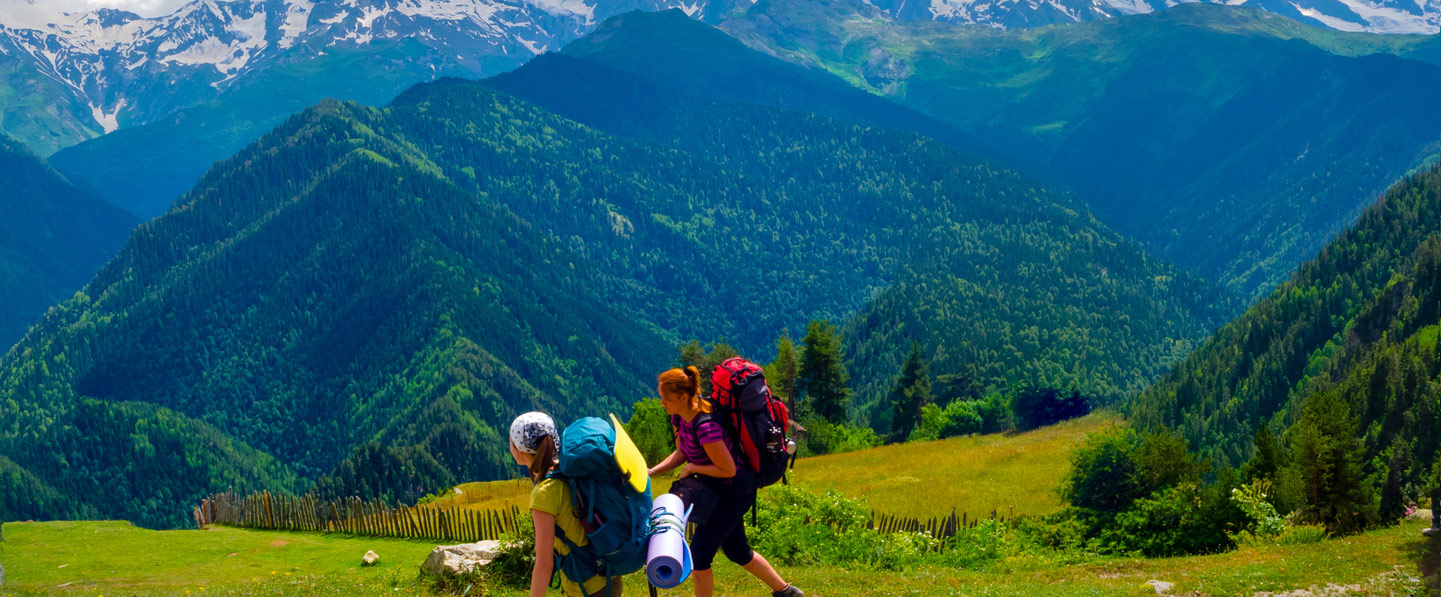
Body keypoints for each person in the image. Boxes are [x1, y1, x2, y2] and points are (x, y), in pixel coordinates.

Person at [646, 367, 804, 597]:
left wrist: (692, 468)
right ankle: (787, 592)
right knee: (737, 551)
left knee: (699, 556)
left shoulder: (705, 425)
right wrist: (653, 470)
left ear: (682, 397)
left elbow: (727, 469)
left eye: (665, 398)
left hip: (735, 491)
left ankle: (786, 591)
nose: (662, 403)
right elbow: (681, 451)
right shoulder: (679, 418)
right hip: (717, 489)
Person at [509, 411, 624, 597]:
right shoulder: (569, 468)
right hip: (609, 575)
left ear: (519, 451)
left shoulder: (543, 494)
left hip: (587, 587)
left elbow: (545, 563)